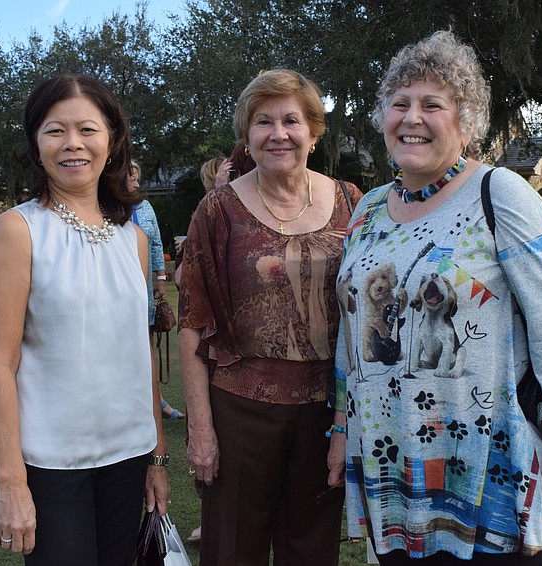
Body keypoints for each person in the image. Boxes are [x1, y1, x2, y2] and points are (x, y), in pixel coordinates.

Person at [332, 30, 542, 564]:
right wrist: (341, 427)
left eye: (432, 104)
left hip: (484, 459)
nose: (411, 118)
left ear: (467, 120)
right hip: (389, 453)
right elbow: (351, 332)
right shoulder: (368, 210)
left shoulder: (501, 194)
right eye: (399, 103)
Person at [0, 73, 170, 564]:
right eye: (54, 130)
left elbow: (140, 353)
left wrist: (157, 457)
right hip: (51, 464)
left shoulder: (135, 238)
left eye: (87, 129)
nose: (73, 144)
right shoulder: (18, 230)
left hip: (129, 458)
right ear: (36, 144)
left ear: (111, 139)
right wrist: (11, 483)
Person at [178, 68, 362, 565]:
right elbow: (192, 325)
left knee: (312, 549)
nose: (278, 134)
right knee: (232, 548)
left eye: (291, 120)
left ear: (314, 131)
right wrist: (200, 429)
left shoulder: (354, 204)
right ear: (247, 135)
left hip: (327, 411)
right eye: (263, 122)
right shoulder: (217, 211)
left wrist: (348, 422)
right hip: (239, 410)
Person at [127, 160, 185, 420]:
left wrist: (161, 280)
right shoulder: (104, 207)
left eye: (138, 178)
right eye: (131, 178)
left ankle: (157, 403)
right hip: (118, 289)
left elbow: (156, 244)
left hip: (145, 289)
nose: (137, 184)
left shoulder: (146, 207)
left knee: (146, 346)